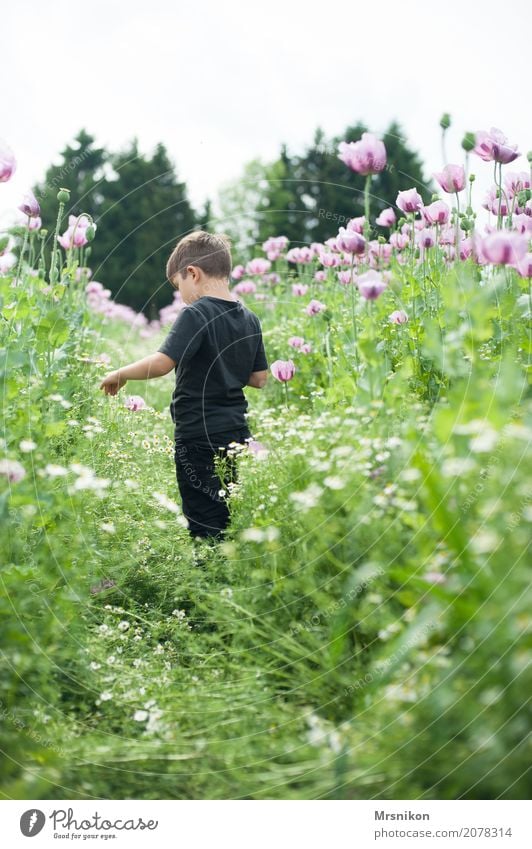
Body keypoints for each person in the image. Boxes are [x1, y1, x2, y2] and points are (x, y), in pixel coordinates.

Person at [99, 231, 269, 541]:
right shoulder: (250, 319)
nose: (183, 296)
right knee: (228, 506)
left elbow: (163, 362)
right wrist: (226, 361)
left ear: (193, 273)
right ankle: (228, 569)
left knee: (203, 516)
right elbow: (259, 379)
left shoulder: (196, 312)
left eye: (180, 288)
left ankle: (210, 579)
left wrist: (120, 373)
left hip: (198, 434)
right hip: (236, 432)